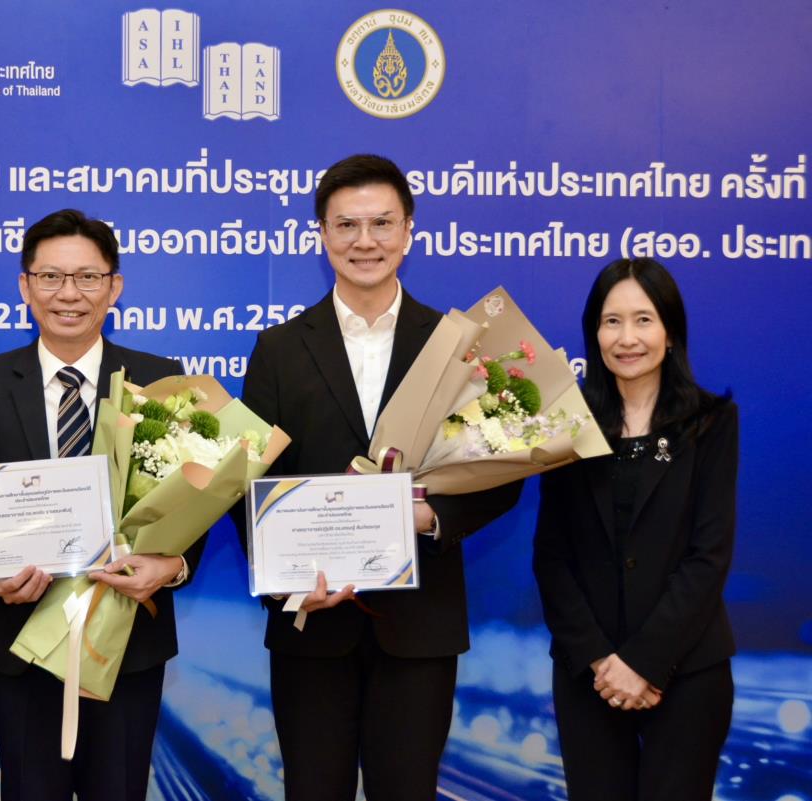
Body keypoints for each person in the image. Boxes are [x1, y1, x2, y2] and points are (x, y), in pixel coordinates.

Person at [237, 154, 522, 801]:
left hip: (418, 628)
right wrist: (286, 582)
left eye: (381, 223)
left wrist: (432, 517)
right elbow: (246, 483)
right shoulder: (278, 349)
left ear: (408, 232)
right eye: (347, 225)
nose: (364, 241)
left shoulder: (456, 344)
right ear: (322, 234)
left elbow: (502, 470)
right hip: (312, 626)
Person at [0, 208, 198, 801]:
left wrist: (173, 565)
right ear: (25, 286)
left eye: (88, 277)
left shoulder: (160, 379)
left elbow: (192, 496)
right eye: (51, 277)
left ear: (114, 287)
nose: (69, 294)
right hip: (19, 641)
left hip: (128, 642)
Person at [533, 257, 736, 800]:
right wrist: (602, 661)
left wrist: (644, 663)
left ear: (670, 331)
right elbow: (551, 557)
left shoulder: (711, 422)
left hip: (687, 671)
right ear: (594, 334)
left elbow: (709, 556)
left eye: (643, 319)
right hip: (589, 675)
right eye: (612, 321)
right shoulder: (566, 425)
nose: (627, 338)